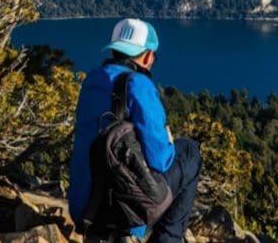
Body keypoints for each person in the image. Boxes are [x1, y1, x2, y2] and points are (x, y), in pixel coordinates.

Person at [69, 18, 201, 243]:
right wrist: (168, 143)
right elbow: (161, 161)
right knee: (189, 152)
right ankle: (167, 239)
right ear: (148, 56)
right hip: (122, 215)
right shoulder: (138, 84)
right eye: (153, 57)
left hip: (84, 208)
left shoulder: (91, 80)